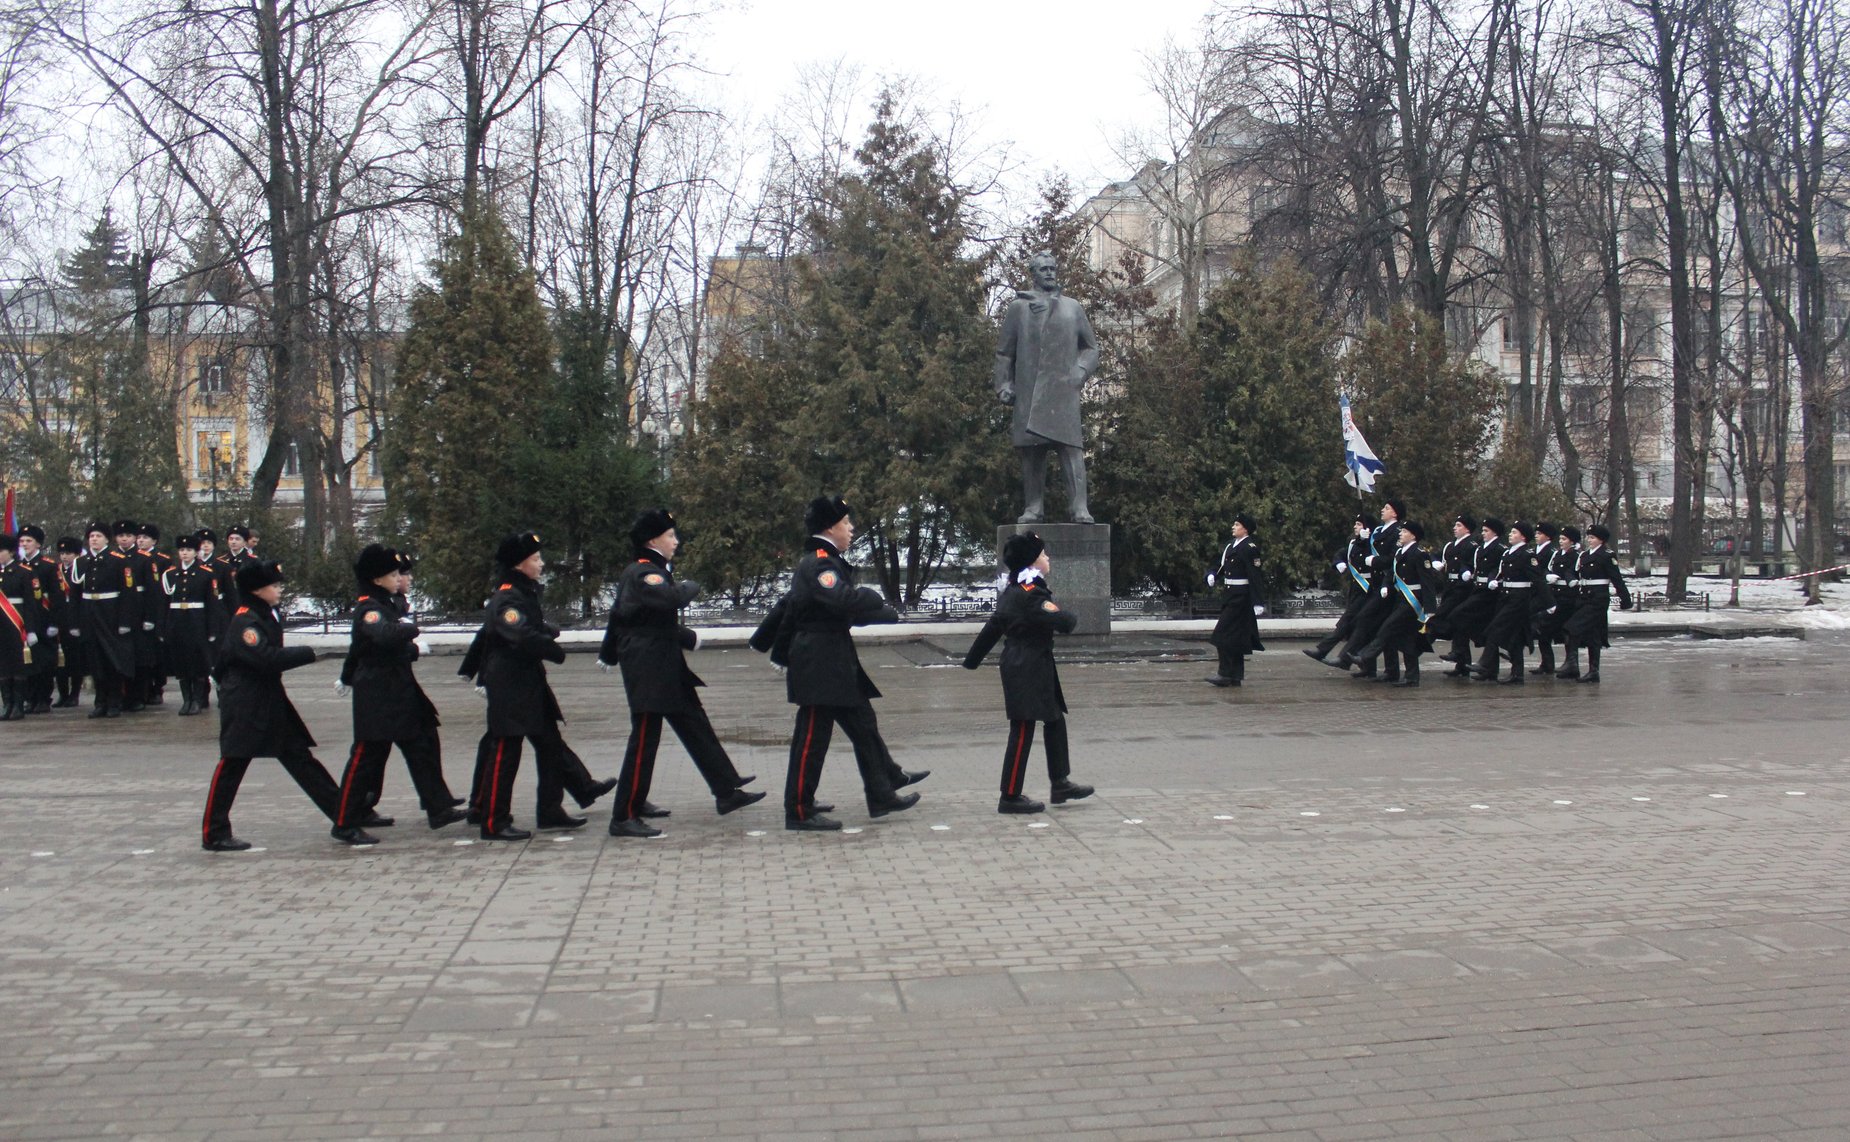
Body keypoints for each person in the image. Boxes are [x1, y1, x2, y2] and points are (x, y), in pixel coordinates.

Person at [599, 510, 765, 838]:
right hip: (649, 667)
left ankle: (726, 790)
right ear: (652, 540)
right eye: (670, 535)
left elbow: (637, 618)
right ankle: (624, 815)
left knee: (693, 722)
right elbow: (669, 600)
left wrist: (686, 638)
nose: (676, 541)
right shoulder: (644, 572)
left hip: (663, 664)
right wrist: (691, 585)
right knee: (644, 739)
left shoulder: (649, 571)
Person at [769, 496, 920, 831]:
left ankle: (881, 795)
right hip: (819, 663)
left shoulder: (828, 561)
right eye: (846, 523)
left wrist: (878, 614)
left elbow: (838, 611)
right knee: (812, 739)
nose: (851, 529)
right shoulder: (819, 564)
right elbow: (842, 600)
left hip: (833, 661)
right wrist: (872, 597)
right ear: (829, 527)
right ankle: (798, 810)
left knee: (864, 725)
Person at [462, 532, 614, 841]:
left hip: (528, 681)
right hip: (510, 684)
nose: (541, 563)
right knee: (506, 751)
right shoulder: (508, 597)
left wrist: (545, 630)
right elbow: (518, 633)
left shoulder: (522, 592)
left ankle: (550, 810)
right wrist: (551, 648)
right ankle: (493, 821)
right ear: (519, 564)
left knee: (549, 745)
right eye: (535, 558)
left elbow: (526, 626)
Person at [199, 559, 345, 851]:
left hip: (267, 698)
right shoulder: (246, 621)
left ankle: (345, 819)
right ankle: (214, 833)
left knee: (301, 759)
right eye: (274, 585)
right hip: (245, 703)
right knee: (233, 763)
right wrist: (308, 653)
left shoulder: (262, 614)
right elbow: (265, 658)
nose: (279, 590)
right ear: (257, 589)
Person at [329, 544, 466, 846]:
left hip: (396, 690)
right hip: (378, 694)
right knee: (365, 758)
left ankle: (438, 808)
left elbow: (388, 646)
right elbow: (383, 637)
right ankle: (344, 822)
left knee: (419, 746)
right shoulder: (370, 609)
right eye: (392, 574)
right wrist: (409, 630)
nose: (399, 578)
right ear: (377, 579)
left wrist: (409, 645)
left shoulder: (385, 604)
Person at [961, 532, 1095, 813]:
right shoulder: (1030, 593)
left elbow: (994, 626)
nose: (1048, 558)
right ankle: (1009, 796)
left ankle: (1060, 783)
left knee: (1054, 719)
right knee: (1022, 729)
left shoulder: (1013, 590)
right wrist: (1069, 618)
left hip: (1030, 663)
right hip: (1027, 666)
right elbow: (1061, 620)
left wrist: (972, 660)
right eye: (1043, 554)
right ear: (1032, 562)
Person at [993, 251, 1099, 524]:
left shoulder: (1073, 308)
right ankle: (1034, 507)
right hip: (1030, 390)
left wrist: (1080, 372)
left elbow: (1091, 348)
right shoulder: (1019, 308)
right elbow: (1004, 352)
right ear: (1034, 274)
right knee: (1032, 453)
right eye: (1044, 269)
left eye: (1052, 268)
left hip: (1064, 390)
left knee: (1072, 451)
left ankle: (1079, 508)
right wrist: (1004, 385)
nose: (1050, 273)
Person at [1325, 499, 1407, 680]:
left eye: (1386, 508)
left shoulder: (1397, 532)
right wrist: (1362, 539)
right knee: (1379, 627)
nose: (1382, 510)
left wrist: (1375, 561)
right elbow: (1363, 550)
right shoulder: (1378, 531)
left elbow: (1394, 558)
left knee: (1372, 623)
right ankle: (1374, 667)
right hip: (1375, 585)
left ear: (1395, 513)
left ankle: (1350, 658)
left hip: (1389, 586)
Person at [1349, 520, 1435, 687]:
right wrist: (1386, 585)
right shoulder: (1400, 552)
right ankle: (1411, 678)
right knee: (1408, 638)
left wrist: (1430, 609)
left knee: (1388, 626)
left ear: (1413, 536)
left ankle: (1365, 656)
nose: (1400, 534)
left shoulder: (1419, 554)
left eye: (1404, 532)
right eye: (1401, 531)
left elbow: (1428, 582)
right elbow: (1391, 573)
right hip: (1400, 598)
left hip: (1413, 600)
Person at [1471, 521, 1554, 684]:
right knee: (1515, 637)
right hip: (1506, 597)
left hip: (1519, 599)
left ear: (1523, 537)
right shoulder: (1508, 553)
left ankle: (1485, 663)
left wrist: (1550, 603)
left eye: (1514, 532)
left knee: (1495, 628)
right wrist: (1495, 580)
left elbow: (1538, 580)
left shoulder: (1527, 555)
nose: (1510, 534)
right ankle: (1517, 674)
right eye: (1511, 532)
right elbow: (1501, 573)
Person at [72, 521, 135, 718]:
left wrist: (125, 621)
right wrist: (75, 622)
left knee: (112, 660)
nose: (94, 539)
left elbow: (128, 593)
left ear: (107, 539)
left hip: (110, 613)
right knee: (95, 660)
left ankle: (114, 702)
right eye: (91, 536)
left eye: (98, 536)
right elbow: (74, 595)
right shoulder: (81, 562)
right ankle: (100, 702)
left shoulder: (118, 560)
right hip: (89, 613)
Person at [161, 532, 222, 716]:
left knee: (198, 662)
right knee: (181, 662)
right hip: (177, 622)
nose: (185, 553)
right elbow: (163, 603)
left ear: (196, 552)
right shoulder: (170, 574)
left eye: (188, 550)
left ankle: (197, 700)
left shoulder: (206, 574)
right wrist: (164, 626)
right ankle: (186, 700)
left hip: (197, 621)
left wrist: (212, 629)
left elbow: (212, 604)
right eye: (182, 550)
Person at [1561, 524, 1632, 683]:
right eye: (1588, 537)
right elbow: (1571, 571)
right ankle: (1593, 672)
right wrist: (1571, 580)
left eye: (1592, 537)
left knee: (1571, 627)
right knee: (1593, 636)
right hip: (1583, 597)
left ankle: (1572, 664)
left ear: (1601, 540)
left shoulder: (1606, 555)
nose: (1589, 540)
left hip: (1597, 599)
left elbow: (1616, 579)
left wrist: (1625, 599)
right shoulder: (1584, 555)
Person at [1303, 514, 1373, 664]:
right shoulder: (1354, 542)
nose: (1355, 527)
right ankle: (1364, 666)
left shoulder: (1371, 543)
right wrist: (1338, 562)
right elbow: (1342, 553)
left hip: (1368, 588)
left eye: (1359, 524)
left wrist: (1365, 540)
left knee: (1348, 622)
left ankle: (1324, 650)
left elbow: (1371, 555)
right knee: (1359, 626)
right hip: (1356, 588)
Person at [1205, 514, 1265, 687]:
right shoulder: (1231, 545)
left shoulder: (1249, 548)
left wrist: (1258, 601)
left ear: (1245, 529)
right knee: (1236, 638)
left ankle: (1224, 674)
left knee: (1221, 635)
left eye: (1237, 524)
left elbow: (1255, 576)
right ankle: (1235, 676)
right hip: (1230, 595)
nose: (1233, 527)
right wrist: (1212, 574)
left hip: (1242, 598)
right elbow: (1221, 565)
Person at [1439, 518, 1503, 679]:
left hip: (1491, 593)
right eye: (1483, 530)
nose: (1483, 533)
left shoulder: (1499, 548)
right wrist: (1466, 570)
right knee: (1465, 622)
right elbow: (1470, 564)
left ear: (1495, 532)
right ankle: (1473, 665)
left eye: (1486, 530)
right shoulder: (1480, 548)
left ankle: (1467, 657)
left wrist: (1493, 579)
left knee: (1460, 616)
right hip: (1478, 589)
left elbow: (1501, 567)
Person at [14, 525, 62, 715]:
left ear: (38, 544)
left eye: (29, 541)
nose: (24, 544)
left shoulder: (48, 566)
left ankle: (43, 698)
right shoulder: (17, 566)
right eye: (22, 541)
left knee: (44, 661)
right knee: (27, 660)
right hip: (23, 618)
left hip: (44, 618)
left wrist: (54, 622)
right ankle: (30, 697)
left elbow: (57, 596)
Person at [0, 534, 47, 721]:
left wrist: (31, 629)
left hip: (17, 623)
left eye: (1, 551)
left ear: (11, 552)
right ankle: (7, 704)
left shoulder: (24, 572)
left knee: (18, 665)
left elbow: (32, 603)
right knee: (3, 665)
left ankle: (18, 705)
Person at [136, 523, 174, 705]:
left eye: (145, 537)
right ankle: (142, 689)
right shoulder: (132, 558)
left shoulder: (162, 560)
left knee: (157, 652)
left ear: (154, 541)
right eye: (139, 537)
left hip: (158, 608)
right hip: (139, 610)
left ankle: (157, 687)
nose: (141, 541)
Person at [53, 538, 84, 707]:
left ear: (77, 554)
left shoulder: (81, 569)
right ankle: (63, 694)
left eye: (69, 553)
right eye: (62, 553)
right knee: (60, 660)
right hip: (59, 617)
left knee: (75, 658)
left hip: (76, 617)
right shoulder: (55, 570)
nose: (64, 557)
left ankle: (75, 694)